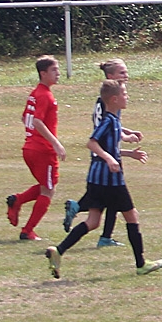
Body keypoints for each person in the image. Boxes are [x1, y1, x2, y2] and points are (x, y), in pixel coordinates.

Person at [45, 79, 162, 277]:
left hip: (96, 180)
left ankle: (58, 251)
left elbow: (110, 148)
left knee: (93, 221)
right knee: (132, 216)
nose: (127, 97)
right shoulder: (108, 121)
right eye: (124, 94)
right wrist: (109, 159)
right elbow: (92, 143)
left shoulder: (115, 121)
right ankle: (141, 264)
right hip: (110, 181)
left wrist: (128, 154)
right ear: (115, 99)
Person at [61, 58, 143, 247]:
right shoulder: (107, 102)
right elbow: (103, 130)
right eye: (122, 72)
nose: (126, 75)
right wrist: (123, 141)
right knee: (112, 199)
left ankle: (103, 236)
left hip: (107, 156)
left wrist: (127, 134)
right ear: (110, 76)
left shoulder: (114, 100)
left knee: (107, 204)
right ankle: (80, 209)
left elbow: (114, 125)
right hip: (103, 159)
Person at [6, 56, 66, 241]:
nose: (58, 73)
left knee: (45, 186)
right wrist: (55, 143)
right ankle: (27, 230)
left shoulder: (35, 93)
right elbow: (37, 121)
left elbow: (25, 118)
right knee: (48, 190)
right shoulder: (45, 95)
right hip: (42, 150)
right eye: (54, 70)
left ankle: (18, 200)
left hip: (29, 148)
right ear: (43, 73)